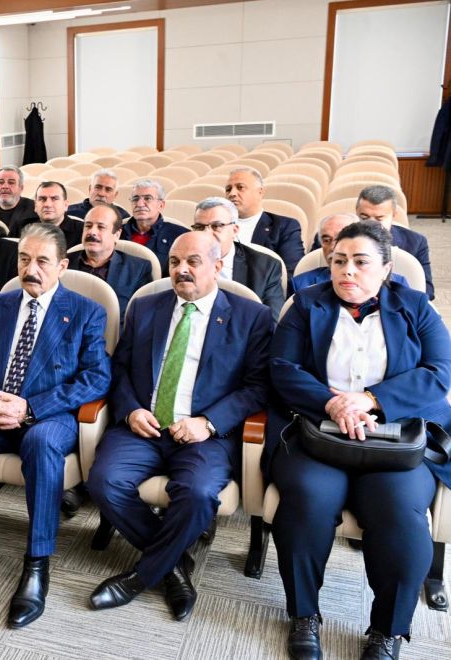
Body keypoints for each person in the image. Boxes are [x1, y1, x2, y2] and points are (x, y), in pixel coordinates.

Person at [265, 220, 451, 660]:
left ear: (386, 269)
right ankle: (304, 615)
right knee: (306, 501)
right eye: (339, 261)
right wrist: (333, 404)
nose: (347, 270)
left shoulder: (415, 306)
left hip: (394, 438)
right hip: (318, 432)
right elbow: (282, 369)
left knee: (400, 514)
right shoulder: (306, 303)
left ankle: (387, 631)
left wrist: (370, 399)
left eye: (361, 262)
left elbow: (439, 372)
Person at [0, 223, 111, 628]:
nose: (31, 269)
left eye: (43, 261)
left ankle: (37, 562)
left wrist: (30, 407)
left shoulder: (86, 311)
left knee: (41, 442)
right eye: (24, 259)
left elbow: (96, 379)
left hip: (48, 417)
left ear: (62, 266)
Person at [86, 231, 273, 622]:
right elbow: (119, 368)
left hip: (205, 434)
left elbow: (258, 387)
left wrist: (209, 422)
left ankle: (139, 578)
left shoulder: (250, 316)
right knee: (103, 481)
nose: (181, 270)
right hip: (145, 425)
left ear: (217, 267)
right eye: (174, 262)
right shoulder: (145, 307)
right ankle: (174, 566)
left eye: (193, 262)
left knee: (199, 493)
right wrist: (131, 411)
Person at [191, 197, 285, 319]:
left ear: (235, 230)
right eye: (199, 227)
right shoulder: (179, 261)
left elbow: (271, 322)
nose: (206, 234)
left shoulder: (266, 267)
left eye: (216, 226)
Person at [67, 205, 152, 318]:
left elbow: (141, 317)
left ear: (116, 235)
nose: (92, 232)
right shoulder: (62, 263)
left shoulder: (138, 269)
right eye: (88, 226)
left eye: (101, 227)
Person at [292, 213, 412, 292]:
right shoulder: (301, 284)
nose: (333, 247)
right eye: (326, 240)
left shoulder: (397, 283)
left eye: (341, 238)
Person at [356, 185, 434, 299]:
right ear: (356, 212)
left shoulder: (416, 242)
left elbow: (427, 289)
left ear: (394, 215)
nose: (371, 224)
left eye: (379, 218)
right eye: (364, 217)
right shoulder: (338, 237)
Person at [224, 167, 304, 278]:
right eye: (228, 189)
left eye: (240, 187)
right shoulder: (214, 225)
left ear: (260, 192)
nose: (232, 193)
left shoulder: (284, 227)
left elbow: (291, 274)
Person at [120, 179, 188, 276]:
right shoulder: (116, 232)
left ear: (161, 205)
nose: (139, 204)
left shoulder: (180, 236)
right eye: (135, 199)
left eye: (147, 198)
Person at [66, 169, 131, 221]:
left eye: (108, 189)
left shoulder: (123, 217)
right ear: (90, 189)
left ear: (115, 195)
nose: (101, 194)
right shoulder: (68, 213)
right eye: (98, 187)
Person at [34, 181, 84, 248]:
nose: (47, 204)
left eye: (54, 199)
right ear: (35, 206)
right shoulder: (26, 230)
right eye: (42, 199)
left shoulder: (83, 231)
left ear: (65, 205)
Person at [0, 166, 38, 236]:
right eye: (0, 182)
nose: (5, 186)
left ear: (21, 188)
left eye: (11, 182)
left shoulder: (34, 209)